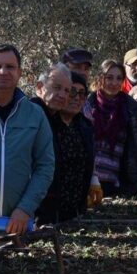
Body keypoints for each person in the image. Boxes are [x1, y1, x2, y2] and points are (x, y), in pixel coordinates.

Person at [0, 44, 55, 238]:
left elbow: (45, 166)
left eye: (10, 67)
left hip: (20, 225)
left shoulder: (35, 114)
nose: (3, 72)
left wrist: (25, 209)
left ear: (19, 72)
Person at [33, 65, 94, 225]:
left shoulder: (85, 126)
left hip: (73, 214)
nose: (75, 97)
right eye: (71, 91)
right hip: (41, 213)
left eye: (82, 94)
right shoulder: (37, 117)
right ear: (40, 87)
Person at [86, 60, 137, 196]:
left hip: (116, 182)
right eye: (109, 77)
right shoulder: (87, 105)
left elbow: (135, 148)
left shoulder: (130, 108)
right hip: (88, 179)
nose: (114, 83)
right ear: (101, 78)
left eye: (119, 78)